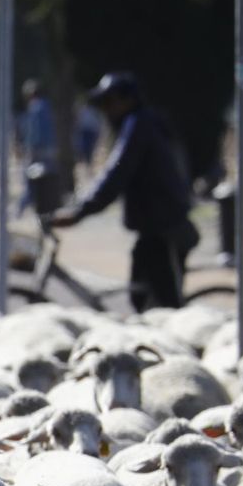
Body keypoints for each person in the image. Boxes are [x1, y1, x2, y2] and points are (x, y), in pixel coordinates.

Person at [50, 71, 199, 312]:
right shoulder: (139, 123)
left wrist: (80, 211)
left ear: (128, 99)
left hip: (163, 226)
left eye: (110, 102)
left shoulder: (139, 124)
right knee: (141, 296)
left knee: (166, 304)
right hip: (153, 224)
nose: (106, 110)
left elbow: (116, 173)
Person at [15, 78, 56, 217]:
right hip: (49, 151)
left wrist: (28, 149)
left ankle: (18, 212)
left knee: (30, 184)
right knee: (47, 186)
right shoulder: (48, 106)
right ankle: (46, 216)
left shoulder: (35, 107)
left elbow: (33, 132)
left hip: (36, 151)